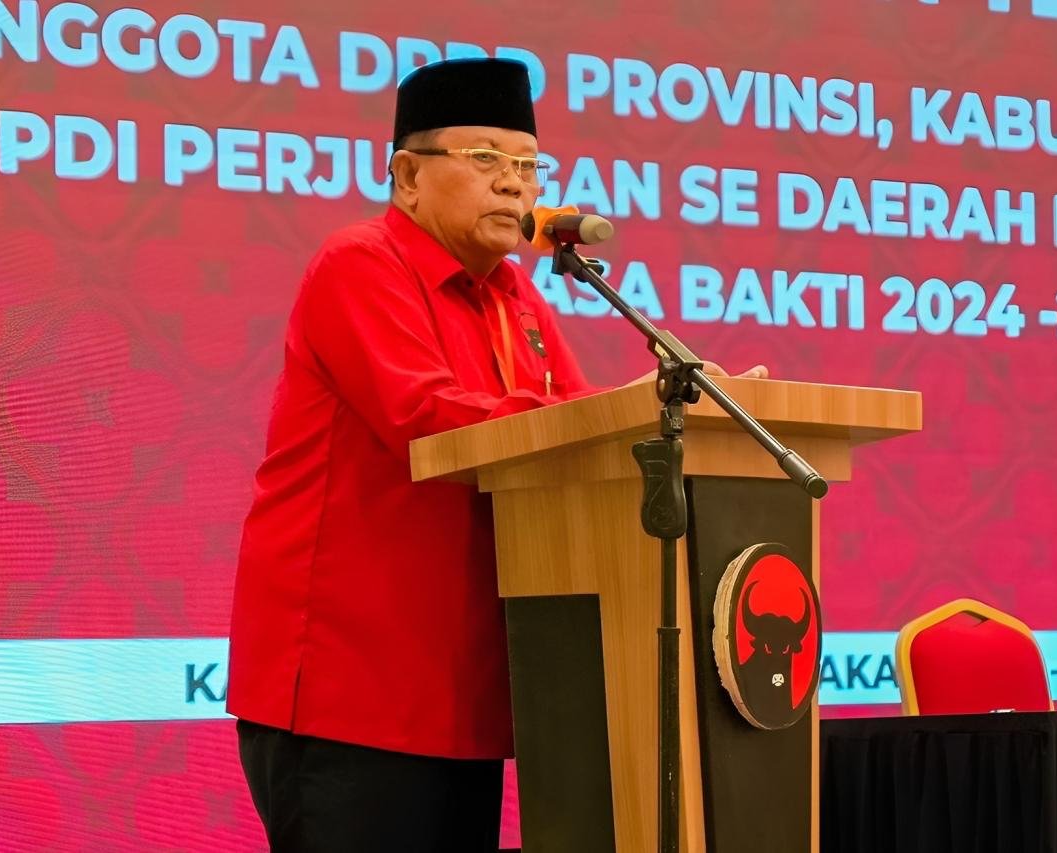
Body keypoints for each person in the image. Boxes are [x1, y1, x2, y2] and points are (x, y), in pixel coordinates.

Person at [226, 57, 767, 852]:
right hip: (352, 688)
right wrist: (612, 412)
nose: (515, 183)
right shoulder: (360, 264)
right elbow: (429, 420)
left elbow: (582, 432)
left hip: (463, 692)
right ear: (408, 176)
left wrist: (666, 414)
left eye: (528, 164)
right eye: (485, 158)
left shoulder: (519, 297)